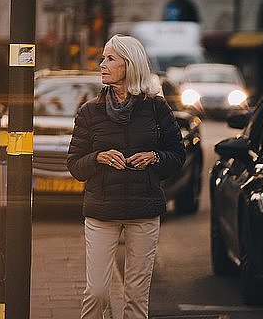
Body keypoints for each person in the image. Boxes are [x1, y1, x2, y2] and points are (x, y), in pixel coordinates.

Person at [67, 35, 185, 319]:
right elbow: (74, 164)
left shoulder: (157, 109)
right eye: (103, 58)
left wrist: (155, 157)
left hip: (143, 211)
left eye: (110, 59)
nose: (102, 65)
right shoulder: (89, 112)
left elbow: (177, 156)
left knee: (135, 297)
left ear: (129, 65)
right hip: (101, 211)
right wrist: (98, 158)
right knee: (96, 293)